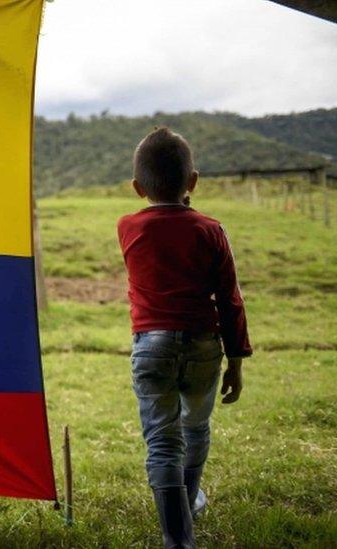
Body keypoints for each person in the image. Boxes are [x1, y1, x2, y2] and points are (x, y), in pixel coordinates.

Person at [118, 127, 251, 548]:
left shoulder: (127, 227)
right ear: (193, 181)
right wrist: (237, 360)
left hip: (151, 346)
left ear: (138, 188)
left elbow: (166, 229)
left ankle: (178, 539)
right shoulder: (211, 230)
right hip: (204, 345)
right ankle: (190, 497)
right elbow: (230, 299)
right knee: (195, 429)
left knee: (162, 441)